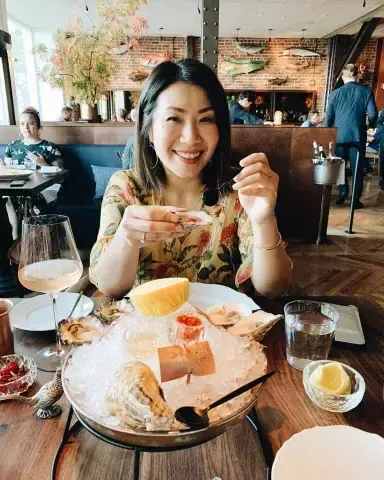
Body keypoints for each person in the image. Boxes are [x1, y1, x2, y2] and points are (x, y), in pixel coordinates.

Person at [89, 59, 292, 299]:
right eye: (174, 119)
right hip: (146, 331)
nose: (191, 137)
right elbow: (110, 287)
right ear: (150, 128)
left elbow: (273, 287)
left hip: (221, 328)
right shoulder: (126, 187)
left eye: (205, 119)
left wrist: (264, 219)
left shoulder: (239, 190)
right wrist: (127, 238)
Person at [4, 107, 64, 237]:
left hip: (44, 188)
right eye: (22, 123)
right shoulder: (12, 146)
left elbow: (60, 175)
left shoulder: (49, 147)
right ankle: (13, 240)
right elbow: (8, 172)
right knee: (6, 199)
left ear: (38, 126)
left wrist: (43, 164)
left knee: (29, 199)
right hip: (17, 187)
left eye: (30, 123)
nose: (26, 127)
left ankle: (36, 241)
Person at [324, 64, 378, 208]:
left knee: (340, 166)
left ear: (342, 77)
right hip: (357, 136)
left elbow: (328, 118)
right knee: (357, 168)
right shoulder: (366, 91)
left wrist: (326, 135)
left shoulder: (334, 93)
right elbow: (373, 115)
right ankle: (355, 200)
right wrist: (369, 126)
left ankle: (342, 193)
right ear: (357, 76)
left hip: (339, 136)